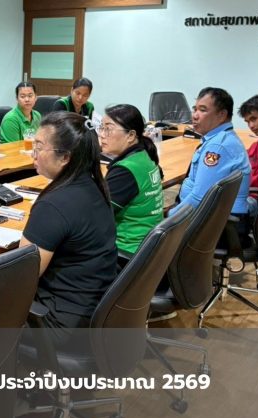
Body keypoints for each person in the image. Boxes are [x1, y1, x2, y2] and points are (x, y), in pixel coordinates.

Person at [19, 112, 117, 340]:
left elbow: (22, 276)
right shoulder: (95, 187)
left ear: (65, 157)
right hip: (95, 310)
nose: (33, 153)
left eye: (39, 147)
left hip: (59, 322)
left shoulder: (54, 205)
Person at [169, 88, 251, 232]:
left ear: (222, 115)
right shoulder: (222, 138)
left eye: (202, 110)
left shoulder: (217, 147)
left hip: (214, 223)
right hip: (215, 216)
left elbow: (199, 199)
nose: (195, 115)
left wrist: (168, 218)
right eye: (195, 109)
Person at [99, 104, 164, 254]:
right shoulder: (143, 156)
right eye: (101, 128)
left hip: (126, 251)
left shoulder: (125, 170)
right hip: (147, 246)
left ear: (130, 135)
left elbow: (96, 215)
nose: (102, 134)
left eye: (108, 129)